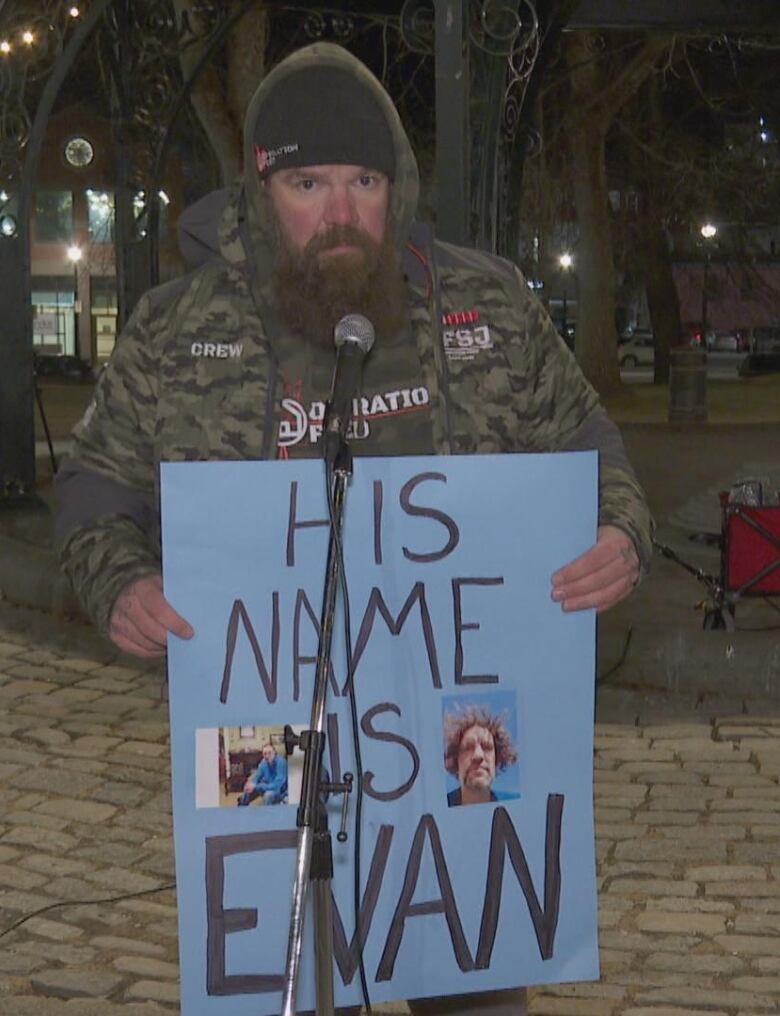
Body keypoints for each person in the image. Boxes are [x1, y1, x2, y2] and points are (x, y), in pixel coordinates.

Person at [55, 41, 653, 1016]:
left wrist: (619, 530)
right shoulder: (175, 328)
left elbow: (588, 440)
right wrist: (114, 578)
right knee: (281, 978)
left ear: (396, 186)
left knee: (473, 973)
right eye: (308, 182)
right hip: (265, 727)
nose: (340, 213)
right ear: (261, 190)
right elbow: (94, 482)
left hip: (459, 721)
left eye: (363, 181)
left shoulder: (490, 306)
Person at [444, 706, 517, 807]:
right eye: (468, 748)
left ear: (496, 761)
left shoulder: (515, 804)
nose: (478, 755)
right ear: (456, 761)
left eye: (487, 747)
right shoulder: (436, 806)